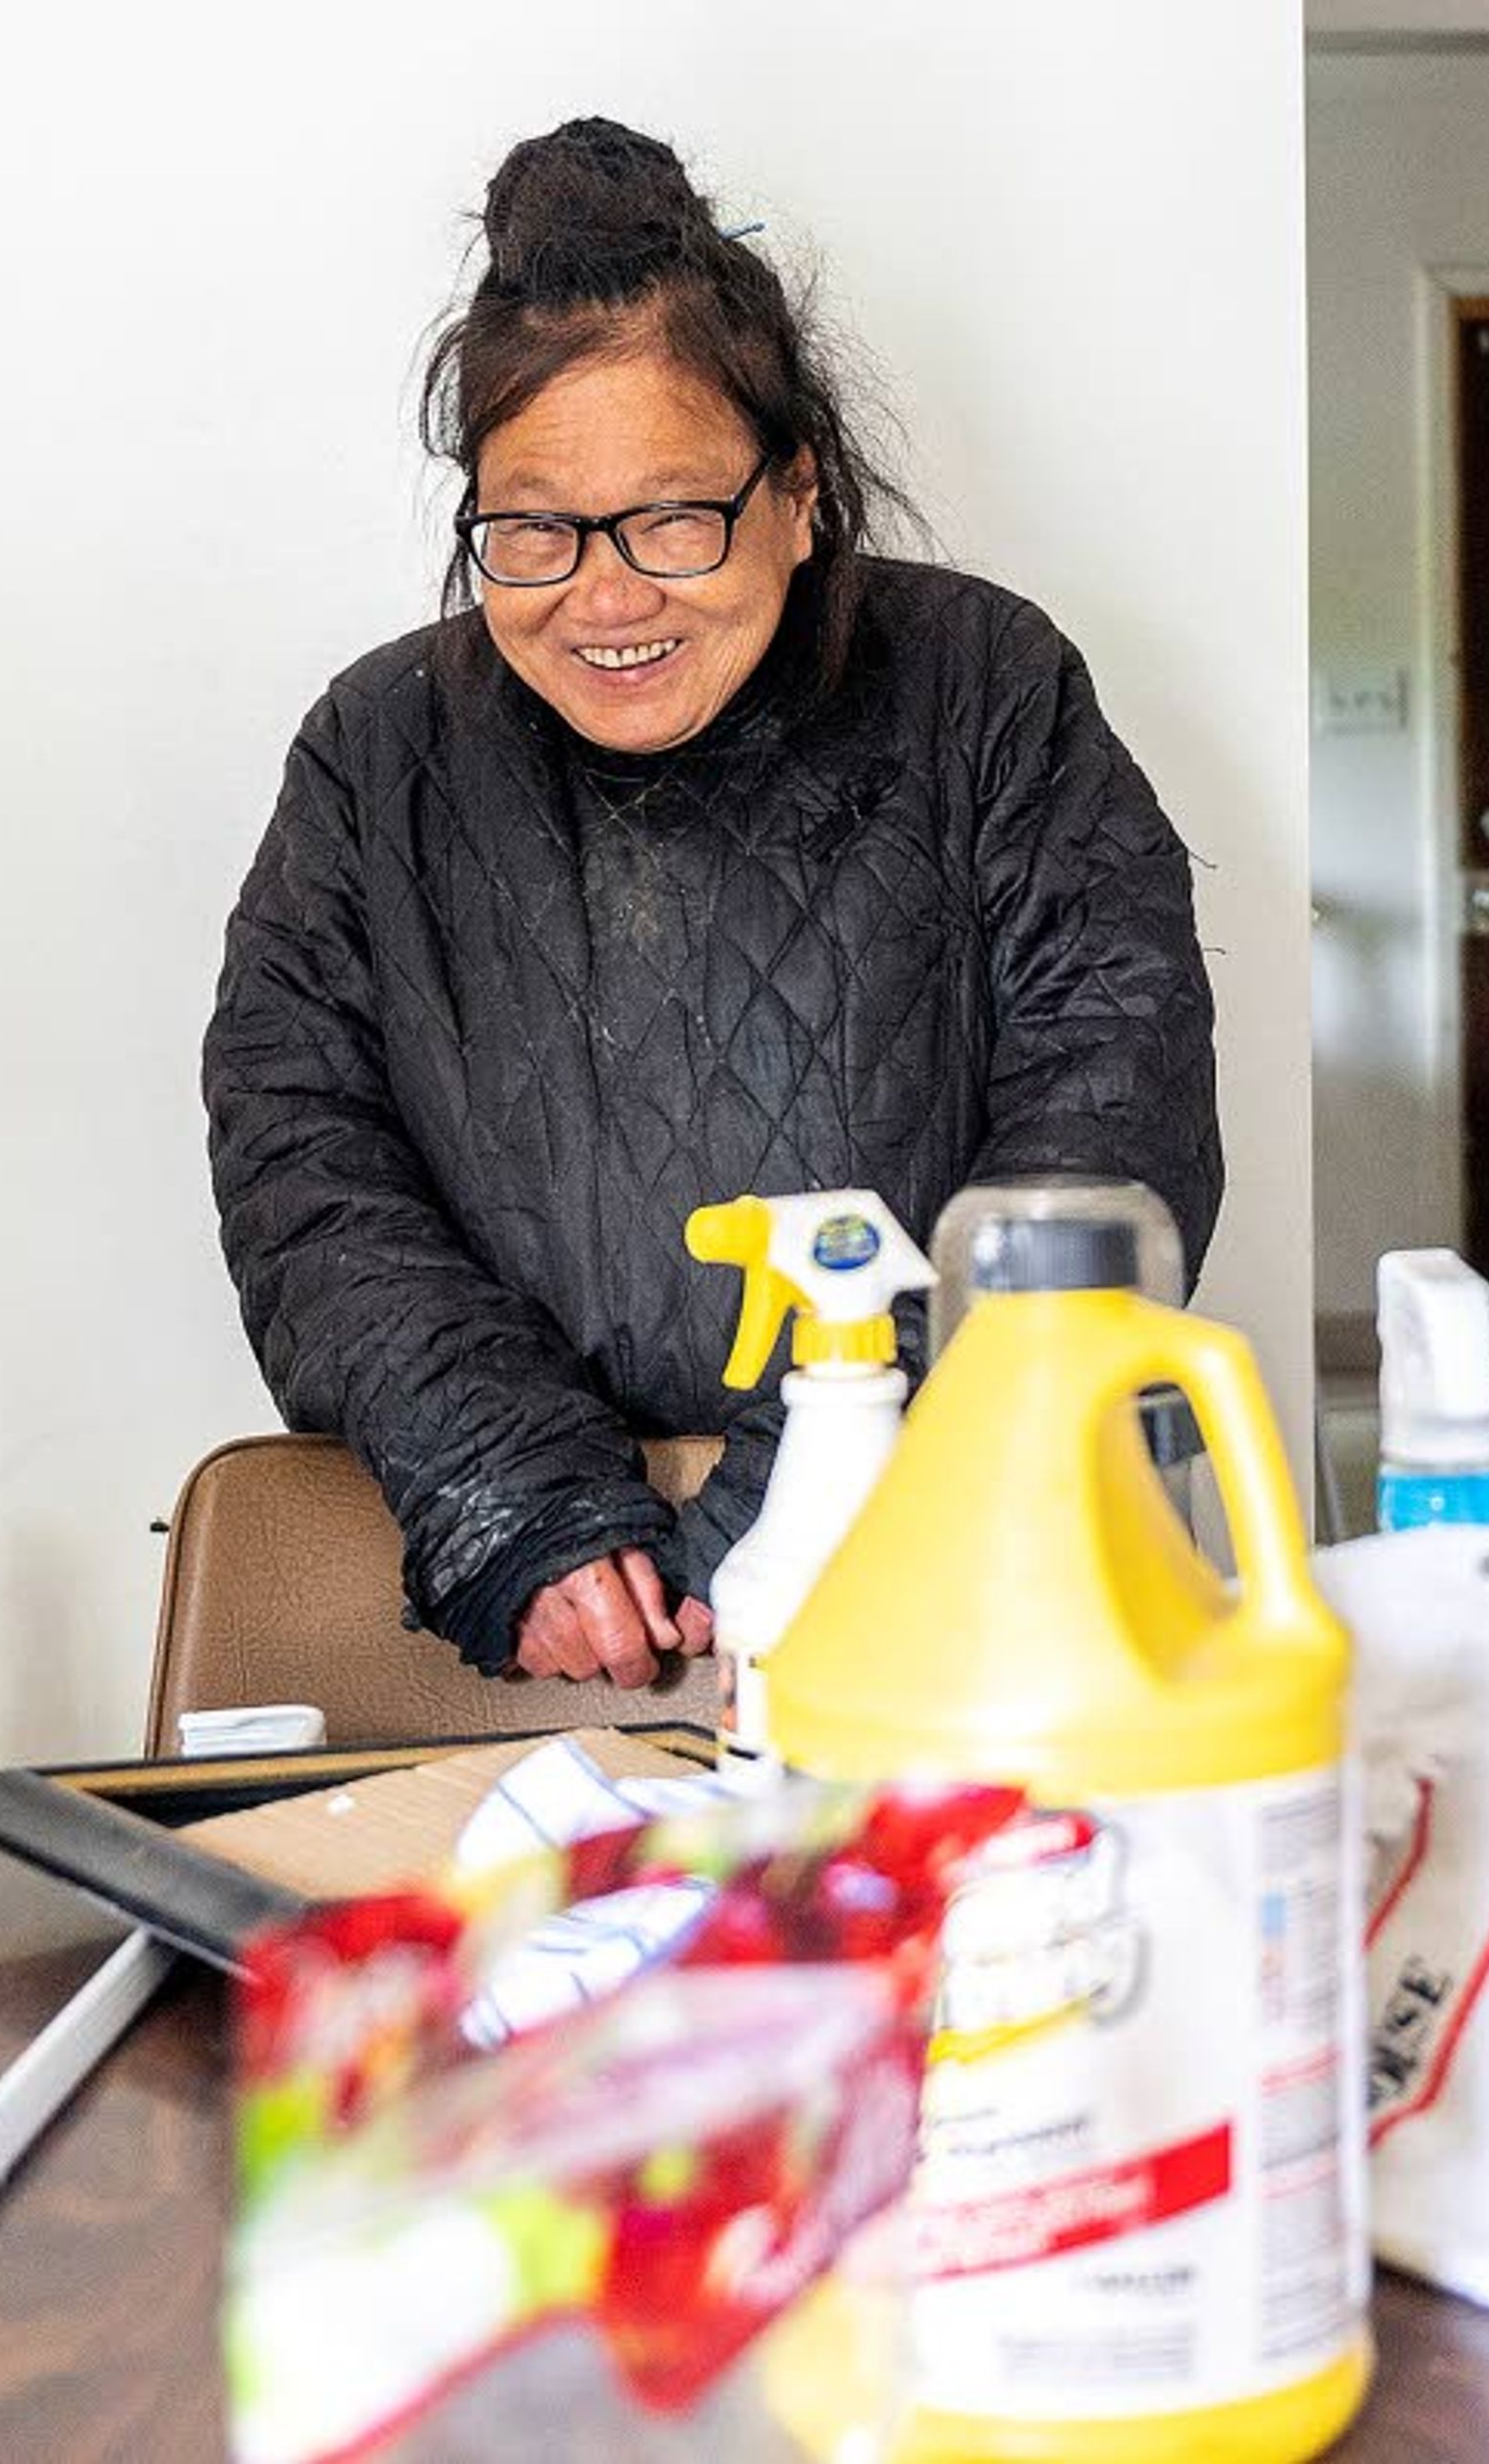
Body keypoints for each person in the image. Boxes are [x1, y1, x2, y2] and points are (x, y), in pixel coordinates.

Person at [204, 118, 1223, 1691]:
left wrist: (820, 1493)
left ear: (798, 492)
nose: (606, 597)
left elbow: (1113, 1112)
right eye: (533, 530)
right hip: (551, 1609)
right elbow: (298, 1149)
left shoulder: (987, 693)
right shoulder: (377, 752)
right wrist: (513, 1493)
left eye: (675, 519)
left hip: (959, 1563)